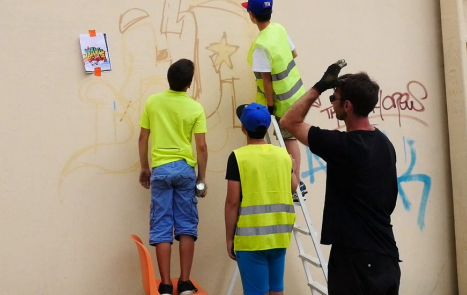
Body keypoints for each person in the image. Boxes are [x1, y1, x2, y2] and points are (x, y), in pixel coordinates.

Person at [280, 62, 401, 295]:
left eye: (333, 98)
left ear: (347, 105)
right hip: (386, 255)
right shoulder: (385, 144)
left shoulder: (344, 146)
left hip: (355, 259)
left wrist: (319, 87)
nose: (332, 103)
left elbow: (288, 122)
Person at [138, 58, 208, 295]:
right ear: (189, 84)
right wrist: (202, 178)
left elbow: (143, 138)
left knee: (162, 225)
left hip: (160, 169)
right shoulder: (195, 108)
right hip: (185, 170)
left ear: (169, 79)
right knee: (186, 225)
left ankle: (166, 284)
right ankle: (186, 282)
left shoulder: (153, 102)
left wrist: (145, 167)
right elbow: (201, 147)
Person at [224, 102, 299, 295]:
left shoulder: (238, 157)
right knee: (276, 290)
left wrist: (229, 238)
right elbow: (293, 187)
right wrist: (294, 166)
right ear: (266, 127)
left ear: (243, 128)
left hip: (251, 240)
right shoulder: (283, 155)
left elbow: (232, 202)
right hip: (279, 236)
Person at [242, 0, 307, 201]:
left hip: (281, 101)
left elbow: (266, 80)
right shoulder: (278, 29)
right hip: (296, 93)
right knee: (291, 140)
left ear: (252, 15)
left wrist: (269, 107)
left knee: (287, 142)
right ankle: (298, 180)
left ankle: (296, 186)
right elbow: (294, 53)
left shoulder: (262, 45)